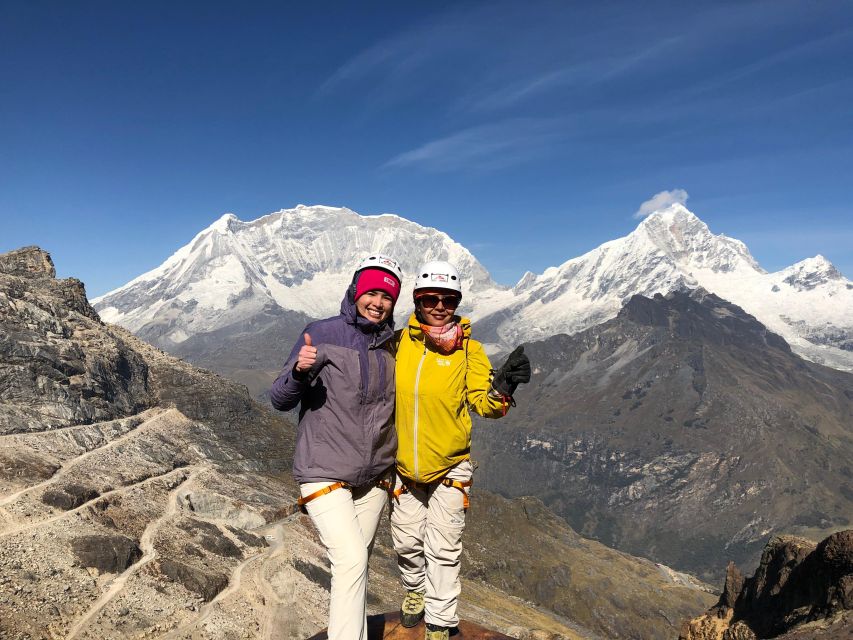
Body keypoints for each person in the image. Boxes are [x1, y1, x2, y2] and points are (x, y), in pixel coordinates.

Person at [390, 260, 531, 640]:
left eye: (448, 299)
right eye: (431, 298)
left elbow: (485, 406)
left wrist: (504, 391)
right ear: (417, 300)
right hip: (404, 468)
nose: (440, 306)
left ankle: (440, 621)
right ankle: (415, 590)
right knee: (405, 541)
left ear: (457, 302)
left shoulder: (471, 350)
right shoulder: (399, 343)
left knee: (445, 547)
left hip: (451, 468)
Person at [270, 254, 403, 640]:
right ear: (356, 292)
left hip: (375, 478)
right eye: (371, 293)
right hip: (323, 471)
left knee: (353, 570)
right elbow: (279, 400)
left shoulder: (394, 344)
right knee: (350, 559)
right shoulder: (322, 332)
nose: (378, 303)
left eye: (387, 297)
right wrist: (299, 371)